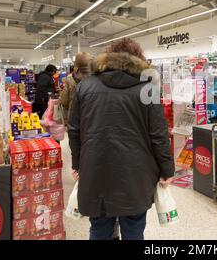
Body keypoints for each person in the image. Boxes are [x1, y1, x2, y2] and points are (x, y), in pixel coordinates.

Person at [68, 38, 174, 240]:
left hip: (95, 170)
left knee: (99, 229)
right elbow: (159, 133)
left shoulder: (85, 86)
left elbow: (74, 130)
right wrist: (167, 169)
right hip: (136, 174)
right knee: (134, 229)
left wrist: (77, 164)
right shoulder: (147, 88)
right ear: (139, 60)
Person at [60, 52, 91, 123]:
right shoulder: (95, 77)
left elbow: (64, 101)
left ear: (76, 63)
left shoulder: (69, 79)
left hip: (73, 116)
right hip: (90, 116)